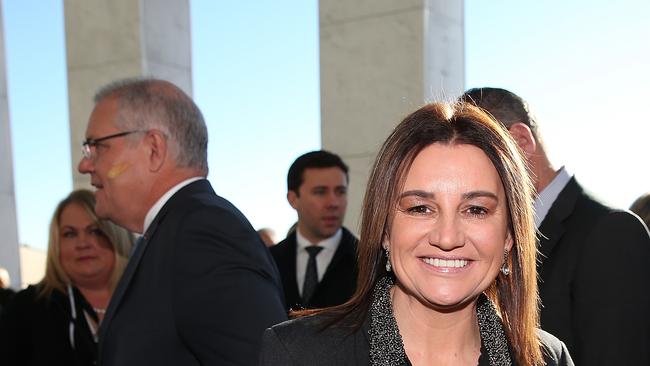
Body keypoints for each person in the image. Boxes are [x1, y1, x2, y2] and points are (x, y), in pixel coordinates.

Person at [259, 102, 573, 365]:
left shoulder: (546, 357)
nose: (447, 237)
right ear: (384, 229)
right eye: (420, 208)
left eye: (476, 209)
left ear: (509, 235)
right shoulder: (299, 354)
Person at [77, 78, 287, 366]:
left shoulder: (202, 233)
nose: (84, 164)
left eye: (96, 147)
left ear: (153, 148)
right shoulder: (174, 230)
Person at [462, 87, 650, 365]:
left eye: (475, 157)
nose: (467, 178)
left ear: (520, 141)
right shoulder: (492, 239)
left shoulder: (611, 234)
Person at [0, 189, 134, 366]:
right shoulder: (27, 308)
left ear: (116, 235)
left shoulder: (151, 300)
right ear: (57, 244)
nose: (82, 243)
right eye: (70, 234)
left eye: (94, 231)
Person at [270, 150, 358, 311]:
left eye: (340, 192)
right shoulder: (269, 261)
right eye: (320, 192)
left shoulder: (370, 262)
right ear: (293, 199)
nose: (333, 203)